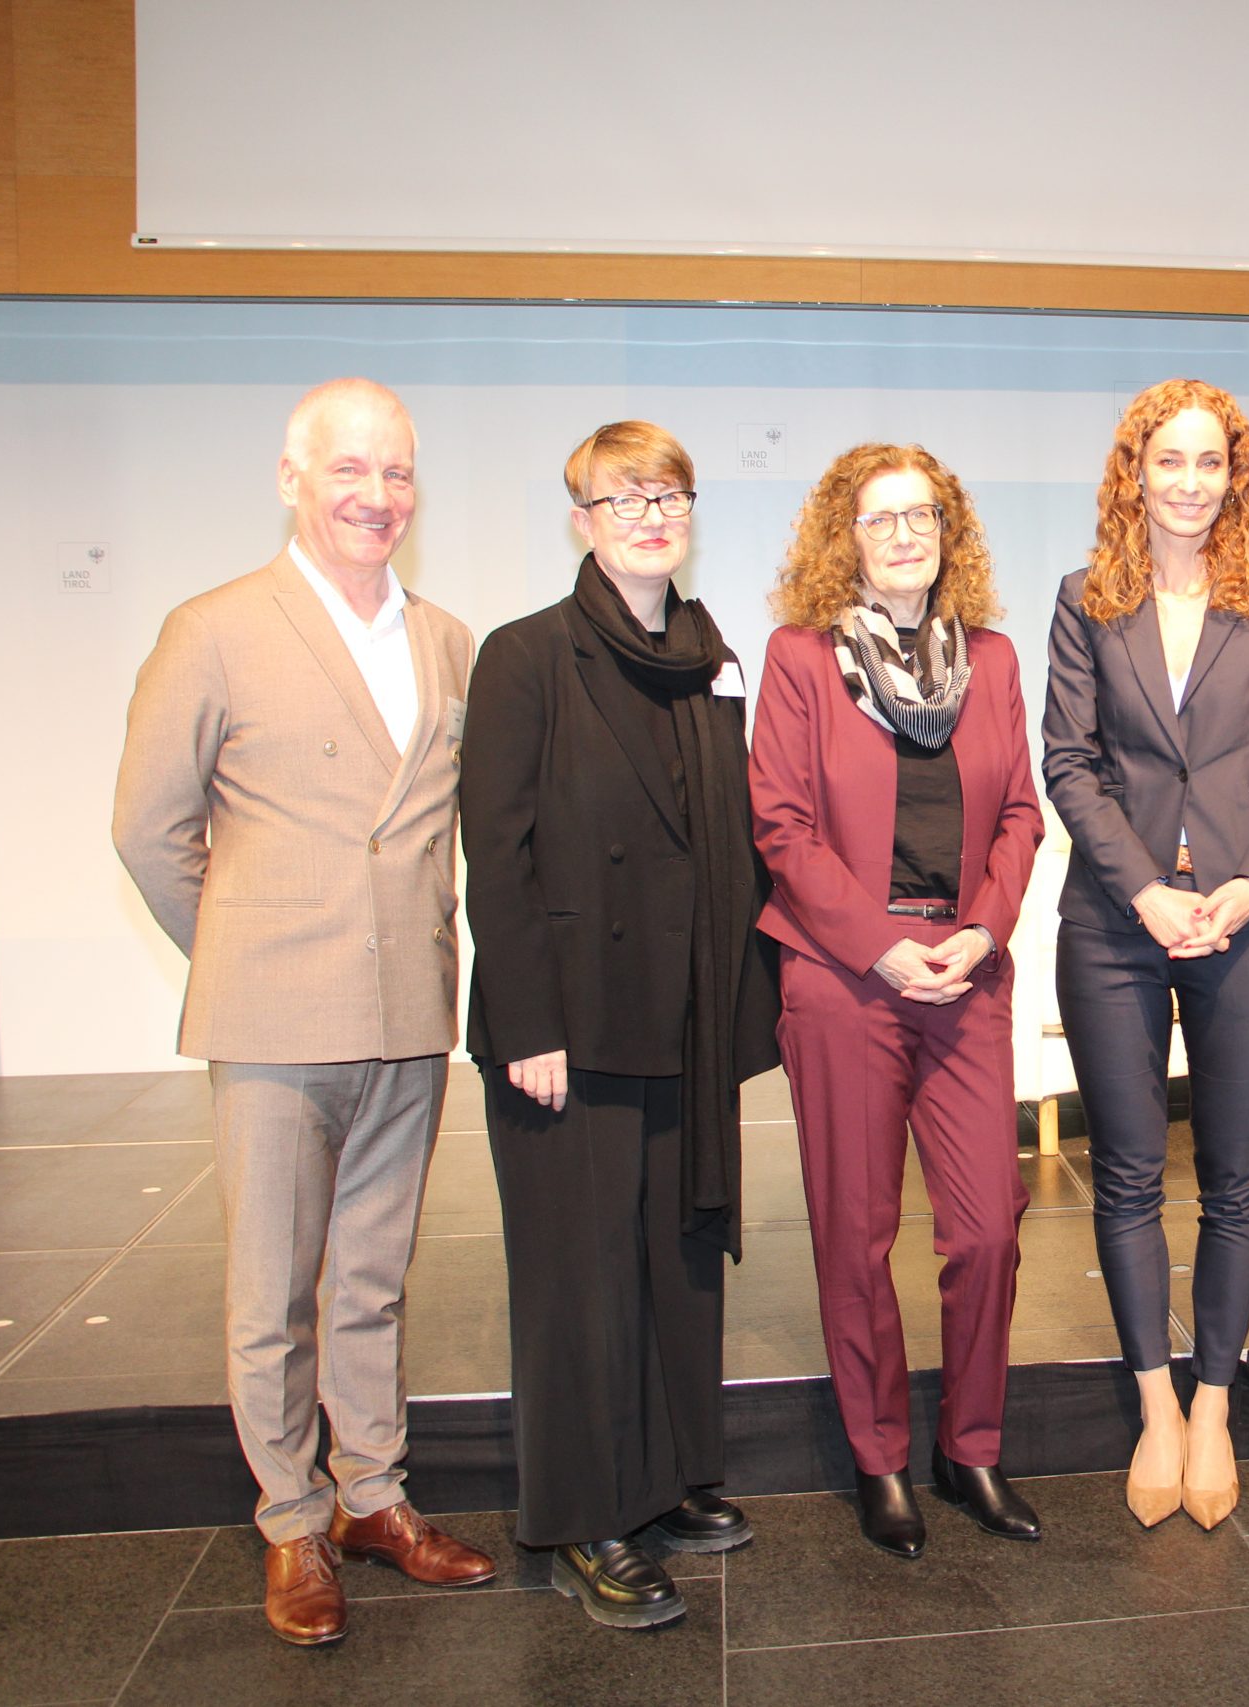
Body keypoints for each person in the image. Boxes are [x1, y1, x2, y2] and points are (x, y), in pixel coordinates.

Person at [111, 378, 495, 1647]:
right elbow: (149, 829)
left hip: (408, 1016)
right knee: (271, 1289)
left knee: (373, 1279)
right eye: (350, 470)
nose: (377, 496)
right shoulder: (212, 630)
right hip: (276, 1019)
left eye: (397, 473)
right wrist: (243, 952)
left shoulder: (447, 643)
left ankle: (373, 1498)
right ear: (291, 478)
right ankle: (291, 1520)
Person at [460, 422, 778, 1627]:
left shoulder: (708, 660)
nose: (652, 516)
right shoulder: (526, 655)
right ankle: (587, 1519)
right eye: (626, 497)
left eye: (670, 495)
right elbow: (496, 853)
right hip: (571, 1027)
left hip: (682, 1014)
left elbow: (728, 839)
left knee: (673, 1261)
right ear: (582, 520)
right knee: (580, 1283)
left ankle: (670, 1478)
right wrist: (526, 1022)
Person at [1042, 379, 1249, 1531]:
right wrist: (1146, 893)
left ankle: (1213, 1403)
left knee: (1235, 1176)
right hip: (1116, 924)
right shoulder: (1085, 599)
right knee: (1124, 1175)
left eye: (1210, 461)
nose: (1189, 482)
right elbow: (1069, 763)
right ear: (1134, 472)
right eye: (1168, 459)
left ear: (1235, 476)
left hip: (1244, 920)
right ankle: (1154, 1407)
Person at [751, 443, 1046, 1558]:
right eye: (881, 518)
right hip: (844, 978)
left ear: (947, 530)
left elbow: (1020, 813)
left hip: (963, 971)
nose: (905, 534)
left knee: (989, 1229)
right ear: (848, 537)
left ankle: (970, 1446)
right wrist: (879, 947)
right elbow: (782, 825)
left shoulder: (994, 661)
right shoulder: (800, 658)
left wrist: (982, 929)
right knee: (856, 1231)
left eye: (923, 514)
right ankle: (879, 1458)